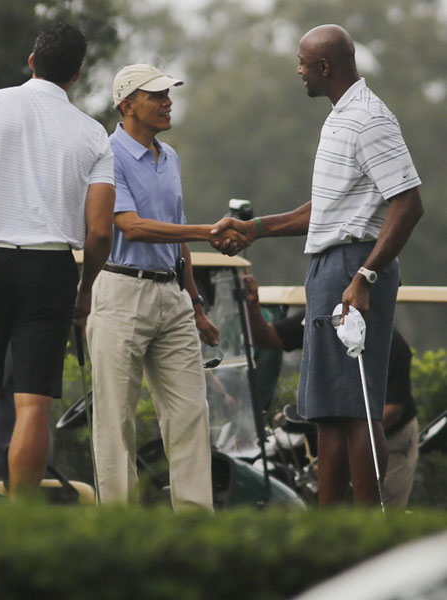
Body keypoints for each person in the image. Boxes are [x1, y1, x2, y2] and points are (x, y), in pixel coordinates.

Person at [212, 24, 423, 507]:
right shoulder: (339, 117)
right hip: (330, 267)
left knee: (358, 409)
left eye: (303, 62)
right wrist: (257, 228)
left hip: (354, 268)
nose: (298, 70)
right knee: (327, 410)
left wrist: (364, 276)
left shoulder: (369, 119)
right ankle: (326, 530)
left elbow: (408, 204)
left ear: (325, 67)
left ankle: (366, 528)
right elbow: (326, 210)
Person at [0, 23, 115, 499]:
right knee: (33, 402)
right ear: (75, 75)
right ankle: (22, 515)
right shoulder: (94, 134)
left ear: (32, 60)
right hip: (52, 268)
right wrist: (86, 287)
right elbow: (98, 230)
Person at [86, 64, 242, 511]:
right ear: (127, 104)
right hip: (120, 292)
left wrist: (195, 302)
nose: (167, 101)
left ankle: (195, 524)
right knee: (116, 420)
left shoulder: (169, 156)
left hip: (171, 297)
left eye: (167, 94)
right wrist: (207, 230)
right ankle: (120, 527)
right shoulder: (107, 155)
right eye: (155, 95)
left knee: (191, 414)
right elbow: (131, 227)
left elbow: (175, 234)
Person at [244, 275, 419, 507]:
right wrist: (252, 306)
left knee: (383, 508)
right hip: (346, 431)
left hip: (393, 436)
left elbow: (394, 408)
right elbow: (267, 337)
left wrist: (348, 440)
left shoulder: (392, 345)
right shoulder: (318, 323)